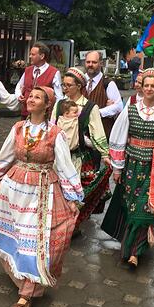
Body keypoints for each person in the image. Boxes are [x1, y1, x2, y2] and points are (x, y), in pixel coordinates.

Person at [0, 86, 83, 307]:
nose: (31, 99)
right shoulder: (18, 128)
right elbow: (5, 156)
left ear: (47, 105)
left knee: (37, 240)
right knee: (17, 236)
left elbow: (65, 166)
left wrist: (73, 196)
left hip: (42, 190)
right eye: (30, 96)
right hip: (14, 190)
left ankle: (27, 293)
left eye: (37, 97)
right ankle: (21, 277)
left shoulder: (55, 133)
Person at [101, 68, 154, 268]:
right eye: (146, 85)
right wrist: (117, 168)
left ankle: (134, 253)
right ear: (141, 87)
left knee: (146, 208)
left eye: (153, 86)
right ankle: (132, 246)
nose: (149, 89)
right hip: (132, 165)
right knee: (131, 206)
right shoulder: (131, 110)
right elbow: (118, 137)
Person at [51, 67, 110, 229]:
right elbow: (52, 127)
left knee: (76, 192)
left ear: (79, 86)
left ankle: (73, 226)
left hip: (79, 157)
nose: (65, 88)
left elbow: (98, 133)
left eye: (69, 85)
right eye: (64, 85)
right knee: (58, 191)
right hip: (59, 158)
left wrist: (106, 154)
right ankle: (61, 224)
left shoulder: (90, 107)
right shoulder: (59, 105)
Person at [15, 42, 63, 117]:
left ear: (42, 56)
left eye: (33, 54)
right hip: (26, 113)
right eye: (30, 54)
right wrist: (18, 95)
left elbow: (59, 96)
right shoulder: (28, 70)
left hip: (43, 115)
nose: (30, 56)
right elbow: (19, 85)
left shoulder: (54, 72)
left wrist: (55, 114)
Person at [83, 50, 123, 138]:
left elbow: (119, 106)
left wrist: (98, 113)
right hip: (81, 134)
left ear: (101, 63)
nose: (90, 64)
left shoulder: (108, 83)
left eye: (94, 62)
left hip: (102, 134)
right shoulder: (80, 81)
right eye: (88, 62)